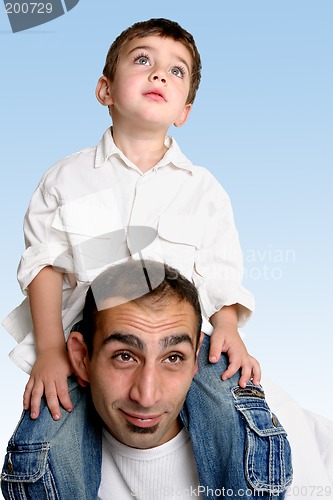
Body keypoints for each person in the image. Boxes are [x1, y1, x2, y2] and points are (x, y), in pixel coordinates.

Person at [3, 17, 260, 423]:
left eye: (176, 70)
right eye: (142, 60)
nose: (159, 73)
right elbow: (43, 267)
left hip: (178, 342)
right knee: (46, 428)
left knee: (240, 406)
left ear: (184, 111)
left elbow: (220, 269)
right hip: (85, 340)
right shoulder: (65, 179)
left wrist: (227, 325)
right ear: (105, 90)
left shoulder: (204, 190)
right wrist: (51, 351)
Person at [1, 260, 292, 499]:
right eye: (124, 356)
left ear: (196, 358)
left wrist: (227, 321)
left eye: (173, 357)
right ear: (81, 358)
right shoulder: (53, 458)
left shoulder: (268, 443)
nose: (146, 396)